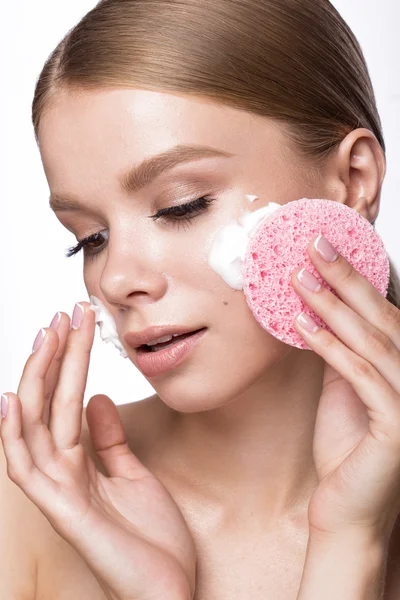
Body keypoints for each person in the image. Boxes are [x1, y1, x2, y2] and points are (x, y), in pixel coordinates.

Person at [1, 0, 400, 598]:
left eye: (181, 205)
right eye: (90, 238)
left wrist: (352, 540)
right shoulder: (29, 497)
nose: (115, 279)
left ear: (353, 182)